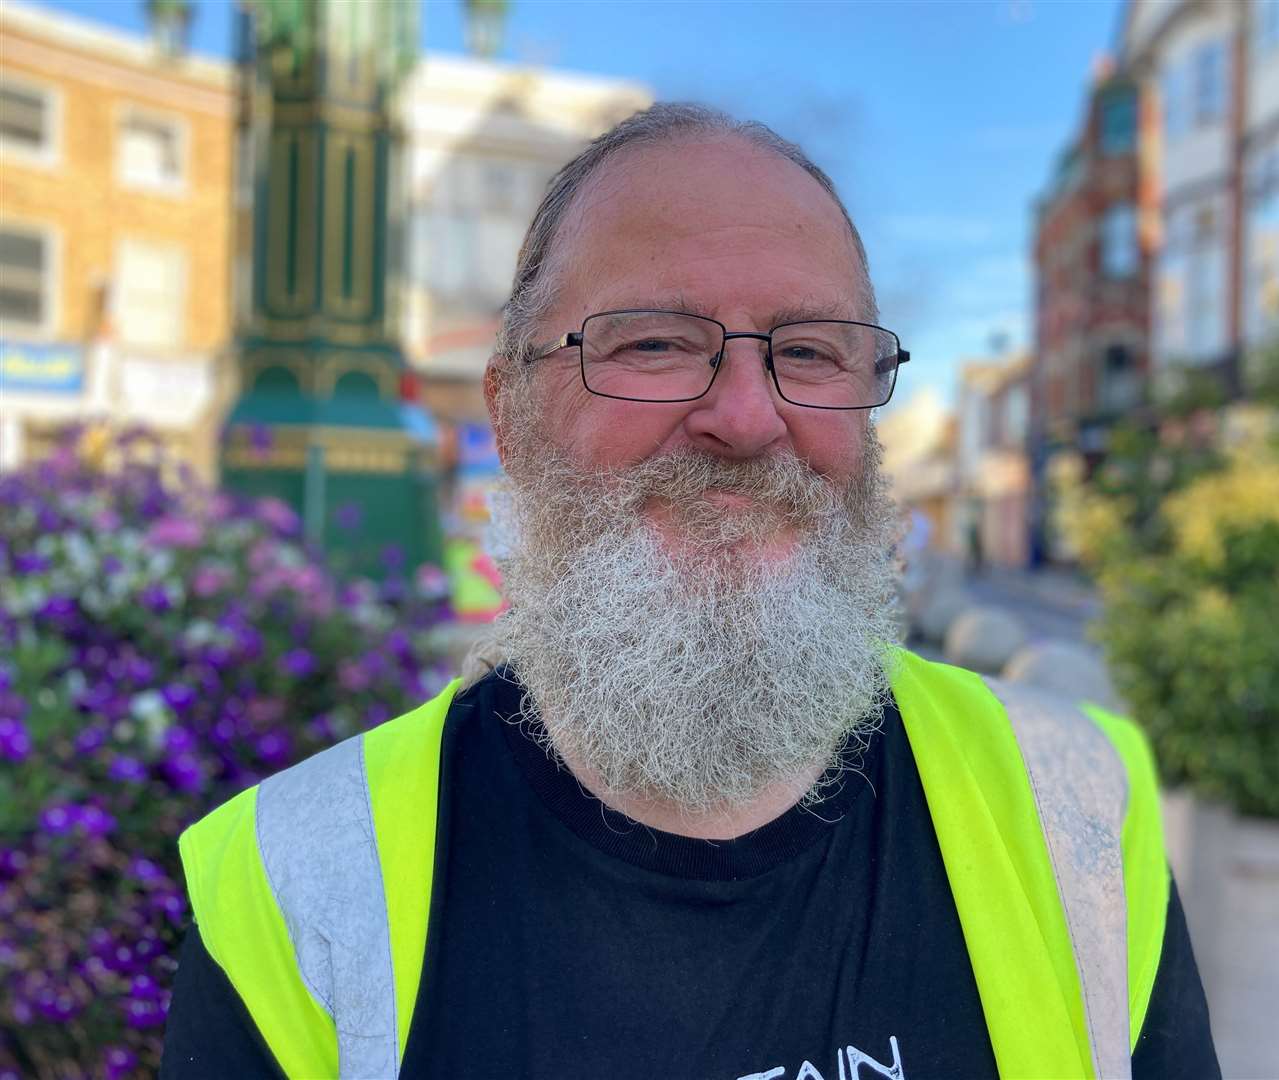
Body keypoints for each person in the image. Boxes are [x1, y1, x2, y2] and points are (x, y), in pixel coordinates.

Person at [162, 104, 1218, 1079]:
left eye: (809, 351)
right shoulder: (289, 888)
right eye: (656, 344)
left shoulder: (1076, 801)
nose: (749, 420)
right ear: (510, 414)